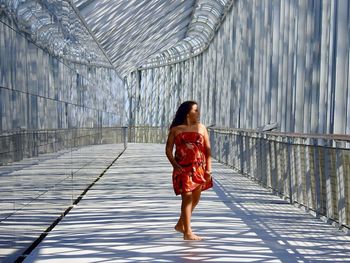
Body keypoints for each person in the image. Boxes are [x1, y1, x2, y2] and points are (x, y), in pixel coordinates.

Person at [165, 100, 213, 240]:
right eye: (195, 110)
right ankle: (188, 232)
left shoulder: (202, 128)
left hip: (199, 168)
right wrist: (174, 164)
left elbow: (208, 150)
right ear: (187, 113)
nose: (198, 113)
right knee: (187, 197)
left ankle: (180, 224)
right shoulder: (176, 130)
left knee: (196, 198)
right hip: (183, 168)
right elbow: (168, 150)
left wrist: (208, 170)